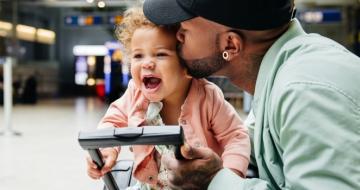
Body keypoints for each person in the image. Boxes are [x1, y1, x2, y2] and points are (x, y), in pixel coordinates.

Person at [143, 0, 360, 189]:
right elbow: (257, 145)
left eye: (184, 29)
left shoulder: (306, 92)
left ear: (231, 44)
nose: (176, 35)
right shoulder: (279, 77)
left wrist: (213, 181)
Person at [86, 7, 250, 190]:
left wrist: (230, 175)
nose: (147, 63)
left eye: (160, 54)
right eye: (138, 55)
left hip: (198, 185)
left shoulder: (207, 97)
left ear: (186, 63)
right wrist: (106, 150)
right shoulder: (135, 93)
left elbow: (236, 137)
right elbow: (112, 122)